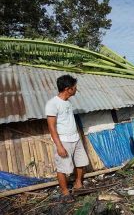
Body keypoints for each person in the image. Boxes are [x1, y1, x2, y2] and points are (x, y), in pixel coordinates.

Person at [45, 75, 89, 203]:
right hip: (64, 141)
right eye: (74, 87)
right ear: (67, 89)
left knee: (81, 162)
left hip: (76, 138)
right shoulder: (52, 104)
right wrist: (59, 146)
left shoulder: (68, 102)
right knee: (63, 168)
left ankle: (78, 184)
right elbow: (52, 127)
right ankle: (65, 193)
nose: (76, 90)